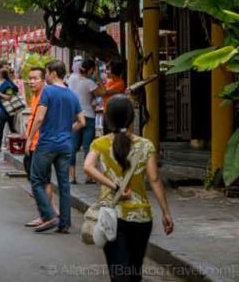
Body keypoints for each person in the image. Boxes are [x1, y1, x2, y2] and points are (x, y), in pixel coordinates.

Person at [84, 95, 174, 281]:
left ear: (107, 118)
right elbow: (155, 179)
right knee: (134, 271)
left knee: (118, 272)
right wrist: (166, 213)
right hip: (141, 217)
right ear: (131, 118)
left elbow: (87, 167)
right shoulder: (145, 145)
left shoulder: (99, 144)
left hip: (111, 215)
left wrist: (113, 185)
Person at [25, 60, 85, 233]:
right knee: (64, 184)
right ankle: (64, 223)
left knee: (37, 179)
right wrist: (67, 130)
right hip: (66, 145)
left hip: (46, 144)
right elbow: (81, 122)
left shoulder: (48, 91)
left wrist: (29, 138)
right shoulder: (72, 95)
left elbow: (39, 118)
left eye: (46, 72)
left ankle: (49, 215)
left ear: (52, 73)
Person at [22, 67, 57, 227]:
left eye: (35, 78)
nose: (31, 81)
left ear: (44, 80)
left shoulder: (45, 95)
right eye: (30, 78)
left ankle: (45, 215)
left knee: (41, 181)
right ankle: (51, 210)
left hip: (39, 144)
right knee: (42, 180)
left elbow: (40, 119)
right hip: (36, 143)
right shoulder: (36, 96)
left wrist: (29, 139)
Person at [68, 58, 98, 184]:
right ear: (91, 70)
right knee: (88, 147)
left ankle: (72, 176)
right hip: (88, 116)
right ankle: (89, 176)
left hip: (74, 116)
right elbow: (103, 92)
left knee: (73, 147)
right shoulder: (90, 83)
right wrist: (98, 79)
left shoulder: (71, 78)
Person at [0, 62, 19, 152]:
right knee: (11, 128)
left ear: (2, 75)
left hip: (6, 110)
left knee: (2, 128)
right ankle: (15, 144)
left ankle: (0, 146)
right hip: (5, 109)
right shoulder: (5, 83)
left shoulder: (8, 85)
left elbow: (8, 97)